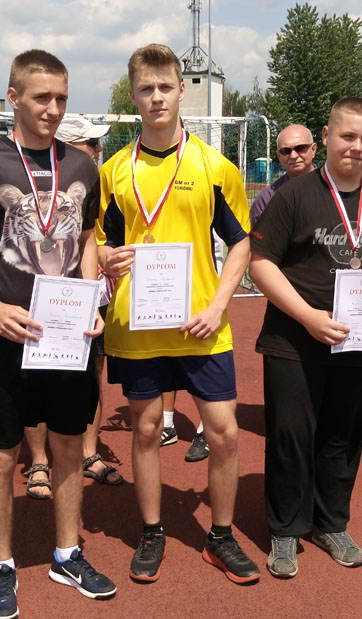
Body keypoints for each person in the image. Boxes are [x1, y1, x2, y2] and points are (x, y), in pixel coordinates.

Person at [0, 50, 117, 618]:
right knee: (2, 454)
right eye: (42, 97)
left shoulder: (81, 164)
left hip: (69, 334)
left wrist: (94, 298)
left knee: (68, 445)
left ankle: (67, 554)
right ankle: (3, 565)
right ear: (13, 98)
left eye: (61, 98)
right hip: (8, 335)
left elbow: (86, 237)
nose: (53, 109)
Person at [97, 43, 259, 585]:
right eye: (146, 89)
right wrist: (104, 257)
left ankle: (221, 535)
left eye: (165, 86)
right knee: (145, 431)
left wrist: (218, 306)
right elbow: (100, 242)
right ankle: (152, 530)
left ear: (181, 90)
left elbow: (241, 243)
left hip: (201, 326)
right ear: (133, 95)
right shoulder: (114, 170)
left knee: (225, 433)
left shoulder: (214, 167)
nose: (157, 97)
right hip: (138, 328)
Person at [250, 97, 362, 579]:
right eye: (348, 136)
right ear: (327, 136)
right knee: (290, 436)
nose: (357, 147)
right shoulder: (294, 195)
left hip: (360, 340)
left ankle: (331, 522)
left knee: (343, 436)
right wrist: (308, 316)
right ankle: (286, 528)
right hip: (294, 338)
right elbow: (261, 264)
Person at [21, 116, 124, 493]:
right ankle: (38, 461)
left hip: (89, 295)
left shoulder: (98, 182)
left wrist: (106, 262)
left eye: (97, 144)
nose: (98, 150)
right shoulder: (35, 184)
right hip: (40, 294)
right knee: (37, 374)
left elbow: (100, 237)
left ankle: (88, 453)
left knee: (92, 373)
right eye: (91, 143)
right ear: (67, 146)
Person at [249, 124, 318, 227]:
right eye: (286, 151)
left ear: (313, 150)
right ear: (279, 155)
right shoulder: (267, 199)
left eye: (300, 148)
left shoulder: (334, 188)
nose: (293, 156)